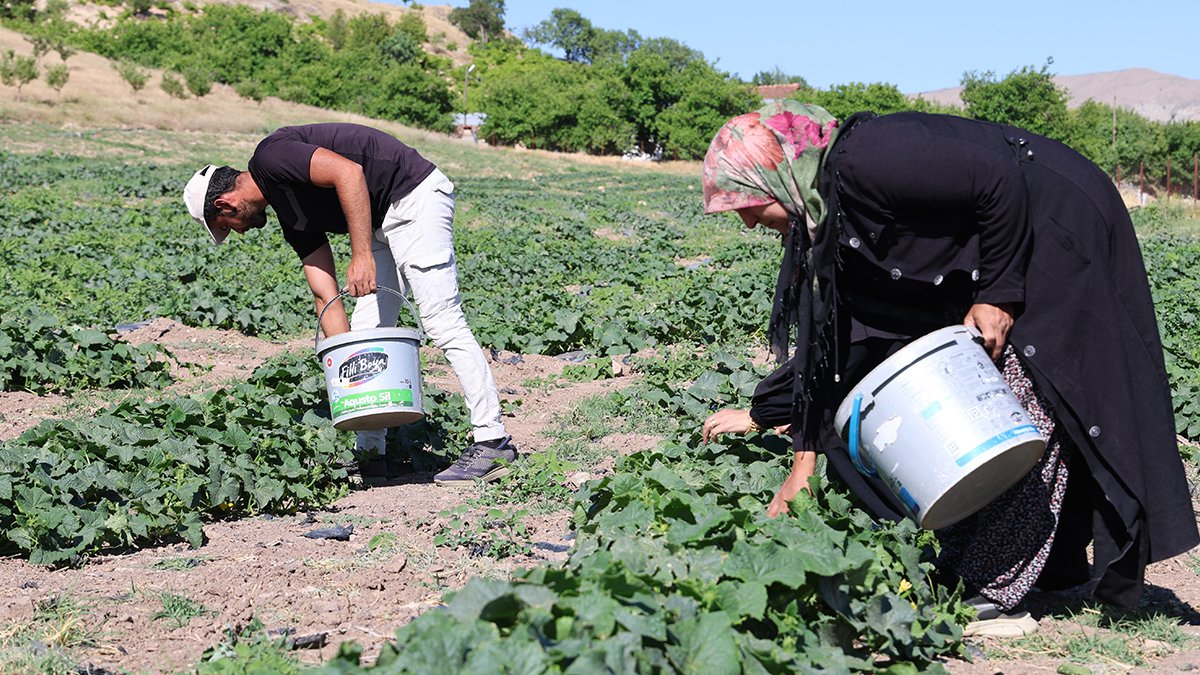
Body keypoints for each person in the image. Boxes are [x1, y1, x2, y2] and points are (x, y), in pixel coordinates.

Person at [698, 101, 1198, 635]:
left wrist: (1001, 293)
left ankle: (995, 590)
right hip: (1005, 235)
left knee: (1027, 394)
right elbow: (832, 335)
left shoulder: (872, 157)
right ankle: (993, 564)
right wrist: (791, 446)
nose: (748, 221)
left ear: (779, 174)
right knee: (987, 386)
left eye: (747, 204)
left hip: (1053, 218)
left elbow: (998, 177)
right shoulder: (827, 211)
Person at [183, 122, 514, 486]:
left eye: (227, 225)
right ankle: (372, 456)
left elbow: (348, 172)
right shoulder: (292, 216)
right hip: (381, 223)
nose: (238, 232)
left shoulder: (270, 156)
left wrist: (361, 257)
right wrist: (343, 358)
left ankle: (492, 440)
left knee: (441, 321)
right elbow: (324, 293)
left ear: (224, 203)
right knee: (367, 334)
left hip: (414, 196)